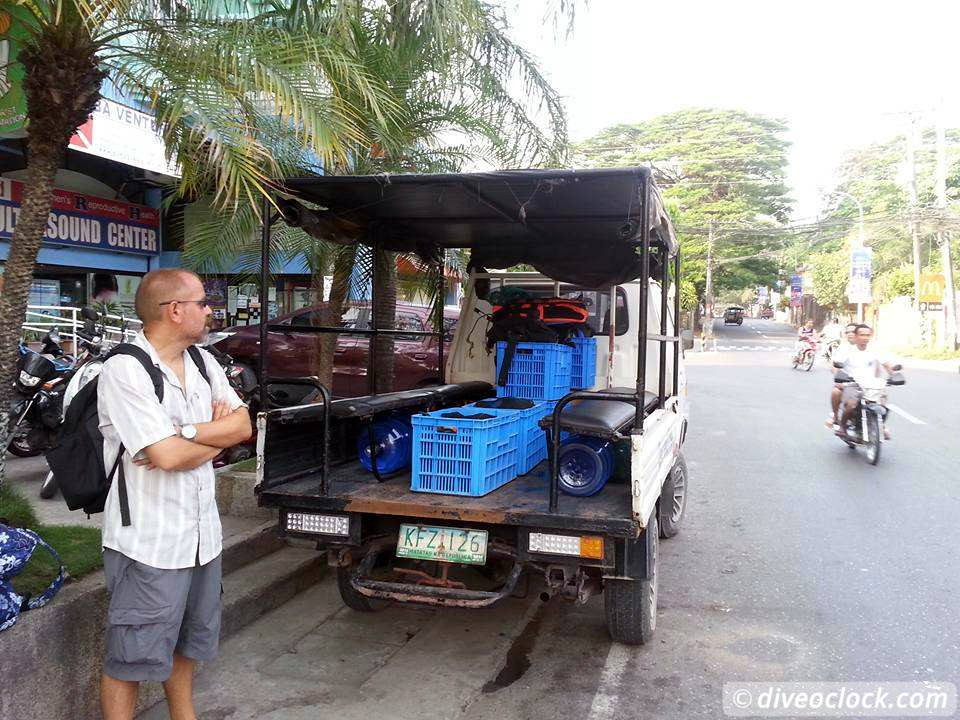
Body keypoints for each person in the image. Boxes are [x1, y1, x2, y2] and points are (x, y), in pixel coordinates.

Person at [98, 269, 252, 720]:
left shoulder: (204, 362)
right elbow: (165, 457)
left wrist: (186, 433)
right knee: (130, 656)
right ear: (174, 310)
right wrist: (213, 437)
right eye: (202, 302)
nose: (209, 309)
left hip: (202, 537)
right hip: (150, 542)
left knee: (190, 642)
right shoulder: (125, 369)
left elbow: (243, 427)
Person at [834, 324, 895, 437]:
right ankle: (842, 427)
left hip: (871, 384)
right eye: (862, 335)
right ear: (856, 336)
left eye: (867, 335)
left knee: (883, 405)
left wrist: (894, 374)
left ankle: (880, 426)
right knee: (852, 404)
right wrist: (839, 376)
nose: (865, 338)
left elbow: (887, 364)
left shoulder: (875, 350)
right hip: (853, 383)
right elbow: (837, 365)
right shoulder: (848, 350)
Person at [826, 323, 860, 429]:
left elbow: (880, 364)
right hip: (849, 382)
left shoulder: (870, 347)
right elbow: (834, 364)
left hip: (867, 383)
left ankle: (881, 425)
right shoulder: (844, 348)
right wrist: (838, 378)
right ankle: (836, 418)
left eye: (853, 331)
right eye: (847, 332)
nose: (850, 334)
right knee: (836, 391)